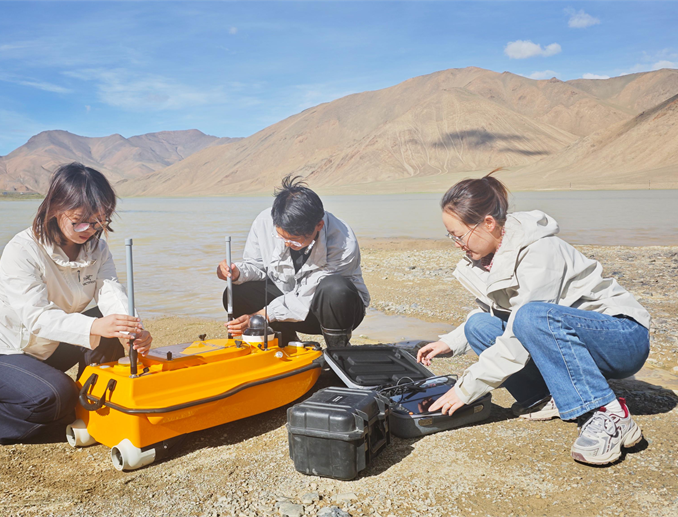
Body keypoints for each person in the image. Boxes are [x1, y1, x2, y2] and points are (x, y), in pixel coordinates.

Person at [416, 172, 650, 466]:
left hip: (621, 338)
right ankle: (546, 398)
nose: (456, 244)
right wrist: (450, 342)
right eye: (450, 235)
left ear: (488, 223)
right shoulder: (489, 259)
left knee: (530, 318)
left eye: (459, 235)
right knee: (479, 327)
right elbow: (496, 314)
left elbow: (521, 328)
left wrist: (466, 389)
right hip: (570, 338)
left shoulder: (540, 251)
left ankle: (609, 414)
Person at [0, 163, 152, 445]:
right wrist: (97, 325)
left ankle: (91, 399)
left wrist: (132, 329)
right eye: (79, 220)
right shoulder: (22, 250)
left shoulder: (97, 248)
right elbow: (36, 317)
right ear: (55, 208)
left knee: (113, 325)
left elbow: (110, 290)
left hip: (48, 346)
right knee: (58, 395)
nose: (89, 229)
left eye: (99, 221)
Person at [216, 175, 369, 347]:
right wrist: (237, 273)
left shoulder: (342, 242)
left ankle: (338, 351)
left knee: (335, 288)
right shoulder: (264, 222)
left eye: (295, 240)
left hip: (332, 311)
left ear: (318, 225)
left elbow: (307, 294)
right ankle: (286, 343)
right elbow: (257, 266)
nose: (288, 243)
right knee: (236, 292)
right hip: (285, 305)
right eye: (281, 237)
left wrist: (261, 316)